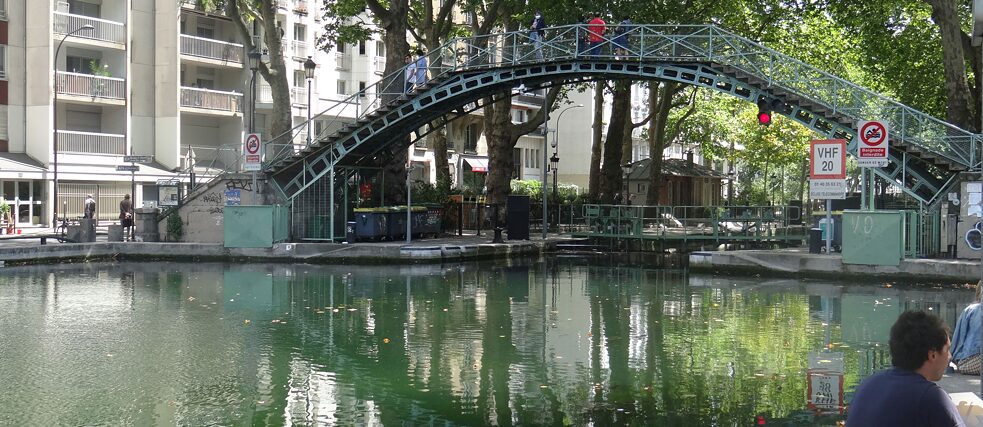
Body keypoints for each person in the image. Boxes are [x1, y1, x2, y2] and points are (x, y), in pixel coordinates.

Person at [846, 310, 963, 427]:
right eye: (947, 350)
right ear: (932, 355)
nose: (950, 356)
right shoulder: (932, 398)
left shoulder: (868, 384)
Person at [951, 281, 982, 375]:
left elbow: (958, 339)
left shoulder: (971, 310)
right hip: (973, 359)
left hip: (968, 362)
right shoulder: (973, 310)